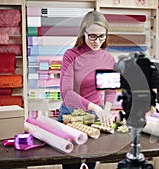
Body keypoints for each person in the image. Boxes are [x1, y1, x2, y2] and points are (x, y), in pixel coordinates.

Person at [58, 11, 117, 169]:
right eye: (92, 36)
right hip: (71, 116)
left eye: (102, 36)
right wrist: (96, 108)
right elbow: (67, 94)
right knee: (72, 165)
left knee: (90, 164)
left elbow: (110, 91)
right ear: (83, 33)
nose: (97, 41)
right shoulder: (70, 56)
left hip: (95, 120)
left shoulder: (108, 59)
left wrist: (106, 110)